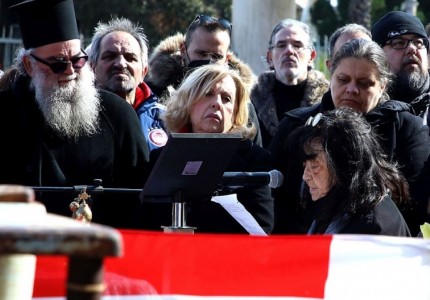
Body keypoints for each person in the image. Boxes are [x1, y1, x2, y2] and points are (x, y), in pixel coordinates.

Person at [0, 0, 149, 228]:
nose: (70, 72)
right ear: (29, 66)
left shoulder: (118, 115)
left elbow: (142, 199)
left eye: (78, 61)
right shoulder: (5, 113)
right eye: (58, 64)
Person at [270, 39, 430, 235]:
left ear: (383, 85)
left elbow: (414, 209)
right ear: (331, 73)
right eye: (343, 80)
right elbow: (276, 200)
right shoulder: (296, 125)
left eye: (364, 83)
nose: (352, 90)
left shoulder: (407, 129)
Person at [142, 64, 275, 234]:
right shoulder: (160, 158)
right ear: (188, 102)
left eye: (226, 98)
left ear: (235, 112)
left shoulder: (255, 160)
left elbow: (263, 225)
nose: (217, 104)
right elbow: (145, 222)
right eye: (208, 94)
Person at [289, 107, 410, 236]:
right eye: (304, 165)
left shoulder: (370, 225)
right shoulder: (336, 204)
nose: (305, 176)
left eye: (314, 166)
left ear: (343, 166)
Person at [146, 14, 262, 146]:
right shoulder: (153, 96)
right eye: (201, 53)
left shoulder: (242, 104)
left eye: (217, 56)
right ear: (183, 50)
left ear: (227, 59)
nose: (208, 62)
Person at [88, 17, 168, 151]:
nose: (120, 64)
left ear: (144, 71)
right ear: (92, 67)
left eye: (130, 58)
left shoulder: (167, 119)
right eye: (110, 56)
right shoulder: (77, 119)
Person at [250, 19, 329, 148]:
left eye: (297, 45)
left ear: (311, 57)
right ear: (270, 57)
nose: (289, 51)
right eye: (281, 45)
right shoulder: (250, 101)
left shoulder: (328, 101)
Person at [372, 11, 430, 125]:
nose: (412, 49)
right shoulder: (366, 107)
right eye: (399, 43)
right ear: (378, 56)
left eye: (418, 42)